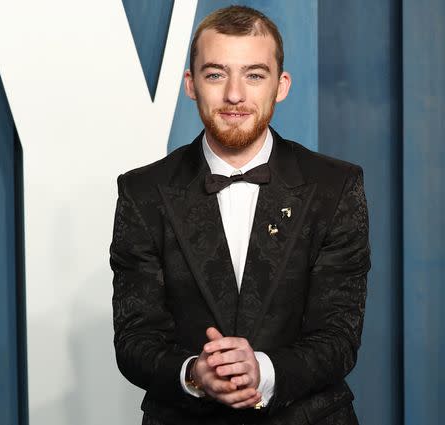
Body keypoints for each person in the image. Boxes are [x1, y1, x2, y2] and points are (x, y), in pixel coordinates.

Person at [110, 5, 370, 425]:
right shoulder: (142, 192)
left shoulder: (335, 186)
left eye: (254, 74)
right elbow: (134, 339)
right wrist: (194, 373)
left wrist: (263, 371)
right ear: (191, 85)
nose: (234, 94)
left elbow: (339, 336)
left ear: (280, 85)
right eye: (215, 74)